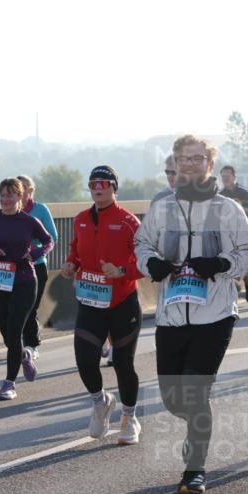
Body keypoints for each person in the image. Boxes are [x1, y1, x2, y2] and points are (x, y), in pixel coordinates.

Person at [135, 134, 248, 494]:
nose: (190, 164)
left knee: (194, 390)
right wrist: (153, 264)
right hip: (171, 317)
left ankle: (195, 467)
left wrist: (221, 263)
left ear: (210, 164)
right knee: (173, 398)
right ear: (175, 164)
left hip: (215, 315)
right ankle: (195, 431)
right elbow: (141, 246)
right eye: (183, 159)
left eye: (197, 158)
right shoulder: (161, 208)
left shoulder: (228, 209)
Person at [61, 166, 144, 445]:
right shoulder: (81, 219)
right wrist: (72, 264)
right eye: (93, 183)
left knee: (123, 363)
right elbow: (76, 249)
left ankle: (130, 417)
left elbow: (146, 259)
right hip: (91, 300)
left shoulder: (128, 221)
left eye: (104, 183)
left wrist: (122, 270)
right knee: (84, 360)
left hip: (123, 302)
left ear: (113, 188)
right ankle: (101, 402)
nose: (98, 187)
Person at [0, 178, 54, 400]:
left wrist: (36, 254)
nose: (5, 200)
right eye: (2, 195)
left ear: (20, 197)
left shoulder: (28, 221)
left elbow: (49, 241)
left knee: (15, 330)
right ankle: (23, 357)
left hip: (24, 280)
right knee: (9, 337)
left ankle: (9, 384)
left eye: (10, 195)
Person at [15, 175, 58, 359]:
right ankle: (20, 344)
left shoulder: (41, 210)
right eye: (17, 188)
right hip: (13, 268)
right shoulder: (10, 209)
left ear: (31, 190)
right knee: (16, 308)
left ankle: (31, 345)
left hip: (37, 266)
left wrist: (35, 251)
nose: (19, 191)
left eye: (23, 187)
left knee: (30, 306)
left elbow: (53, 238)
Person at [220, 165, 248, 302]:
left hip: (242, 230)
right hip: (227, 233)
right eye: (223, 177)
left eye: (227, 176)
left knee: (244, 259)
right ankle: (233, 285)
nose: (225, 179)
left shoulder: (243, 193)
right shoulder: (220, 195)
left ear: (234, 177)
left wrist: (238, 209)